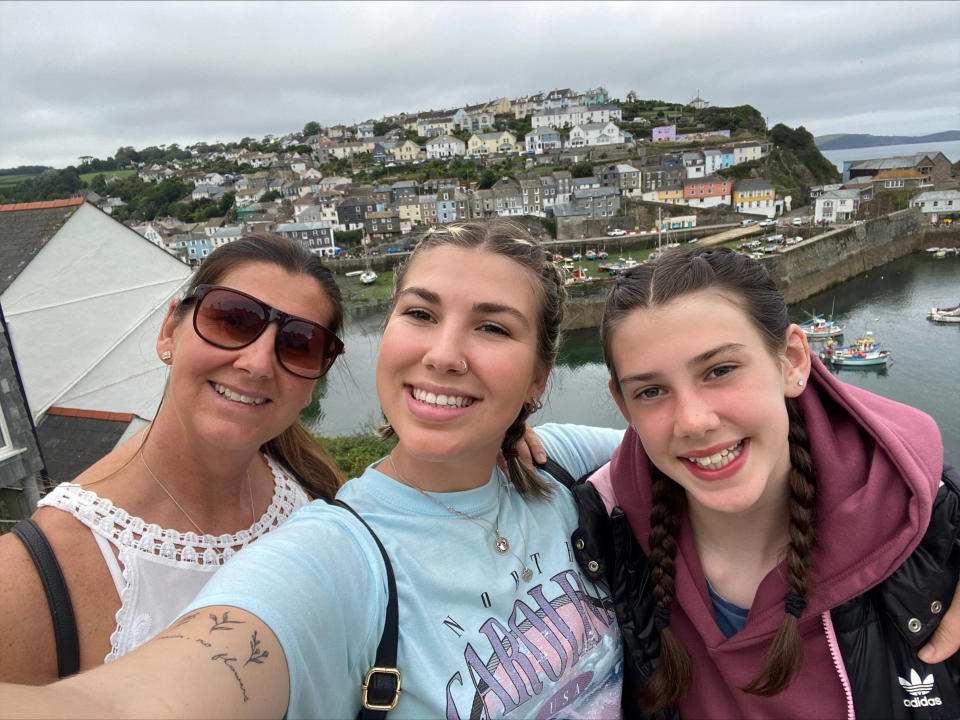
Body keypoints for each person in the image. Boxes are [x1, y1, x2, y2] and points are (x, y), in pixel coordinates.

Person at [0, 220, 626, 717]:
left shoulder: (558, 466)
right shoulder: (331, 555)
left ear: (539, 377)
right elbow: (151, 695)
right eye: (420, 314)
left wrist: (506, 433)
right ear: (170, 327)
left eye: (492, 327)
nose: (443, 353)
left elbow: (690, 438)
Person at [571, 246, 960, 718]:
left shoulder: (933, 531)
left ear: (792, 360)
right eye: (651, 391)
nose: (693, 421)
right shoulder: (605, 536)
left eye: (720, 370)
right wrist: (508, 436)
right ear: (623, 405)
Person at [0, 233, 346, 684]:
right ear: (169, 331)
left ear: (312, 385)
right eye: (233, 320)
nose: (258, 363)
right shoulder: (26, 581)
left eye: (300, 343)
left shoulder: (320, 496)